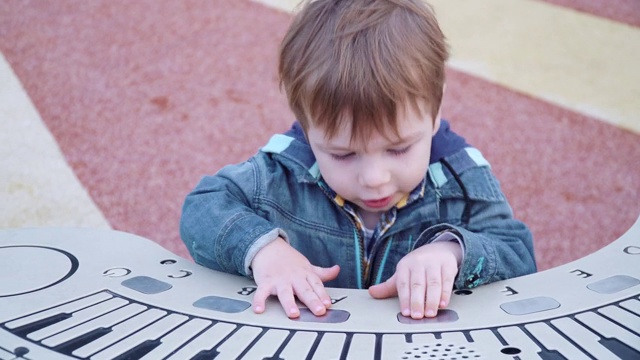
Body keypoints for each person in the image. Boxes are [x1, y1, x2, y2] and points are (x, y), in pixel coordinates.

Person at [180, 0, 536, 320]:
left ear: (435, 109)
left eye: (398, 149)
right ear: (306, 127)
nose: (374, 178)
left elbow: (520, 258)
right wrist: (263, 250)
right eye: (343, 154)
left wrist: (453, 253)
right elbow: (203, 207)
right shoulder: (282, 173)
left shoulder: (463, 184)